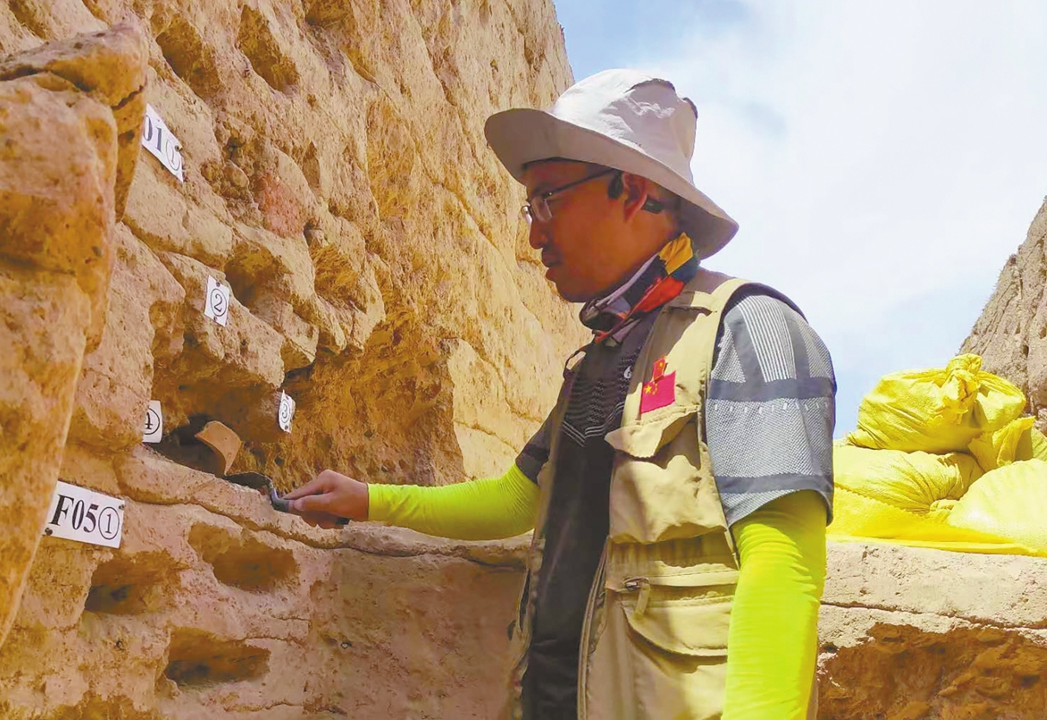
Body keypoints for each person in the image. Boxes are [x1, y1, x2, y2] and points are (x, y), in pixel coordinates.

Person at [284, 70, 835, 720]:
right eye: (529, 207)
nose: (533, 233)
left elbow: (783, 562)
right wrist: (368, 500)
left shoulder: (749, 329)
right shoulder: (601, 357)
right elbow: (517, 498)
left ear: (633, 191)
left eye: (548, 200)